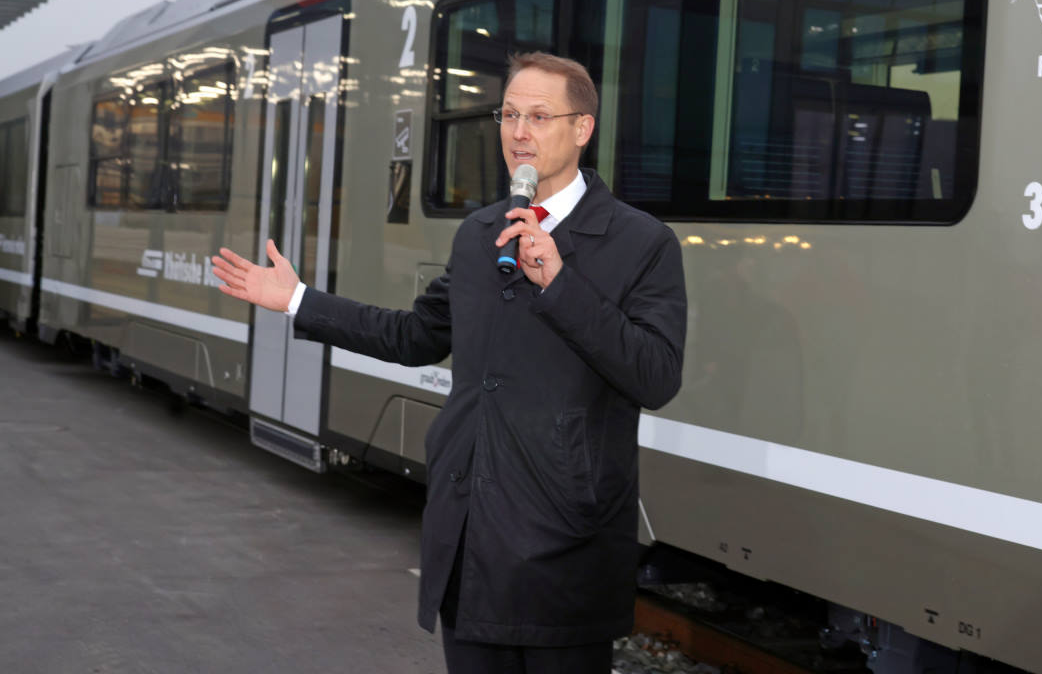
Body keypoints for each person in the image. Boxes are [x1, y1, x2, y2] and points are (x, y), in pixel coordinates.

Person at [211, 51, 688, 673]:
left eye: (540, 116)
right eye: (509, 114)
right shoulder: (478, 233)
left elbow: (655, 376)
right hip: (469, 535)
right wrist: (298, 300)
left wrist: (561, 282)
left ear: (583, 128)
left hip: (565, 545)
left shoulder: (641, 242)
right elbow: (414, 336)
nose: (519, 133)